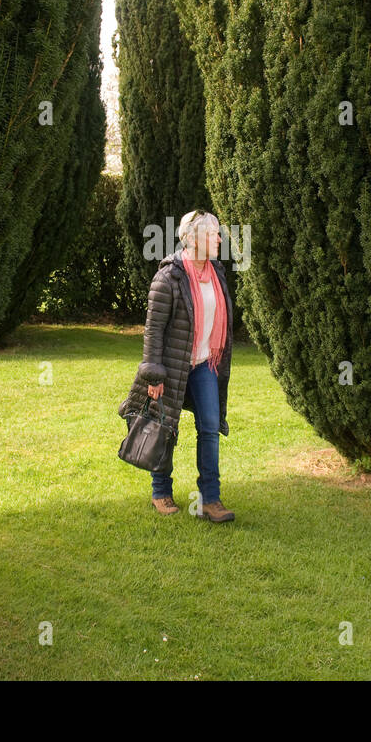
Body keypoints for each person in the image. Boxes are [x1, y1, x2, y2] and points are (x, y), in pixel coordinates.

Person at [117, 209, 234, 522]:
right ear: (195, 239)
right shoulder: (169, 276)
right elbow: (154, 329)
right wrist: (154, 374)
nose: (219, 239)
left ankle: (210, 499)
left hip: (205, 363)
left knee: (209, 426)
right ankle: (160, 491)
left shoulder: (217, 271)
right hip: (171, 365)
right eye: (214, 234)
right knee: (164, 426)